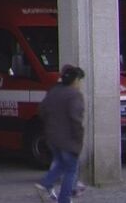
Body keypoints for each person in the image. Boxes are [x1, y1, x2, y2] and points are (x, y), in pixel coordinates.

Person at [34, 64, 85, 203]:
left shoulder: (53, 91)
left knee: (61, 164)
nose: (79, 83)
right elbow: (76, 120)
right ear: (75, 80)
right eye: (79, 80)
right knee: (70, 169)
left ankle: (45, 183)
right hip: (68, 139)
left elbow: (42, 111)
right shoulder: (74, 95)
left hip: (52, 137)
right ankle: (62, 198)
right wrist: (78, 139)